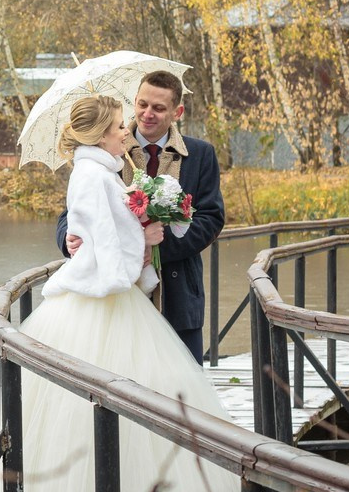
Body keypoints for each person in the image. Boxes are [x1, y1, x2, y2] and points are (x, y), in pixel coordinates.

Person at [0, 94, 240, 492]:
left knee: (124, 405)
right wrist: (144, 238)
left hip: (109, 299)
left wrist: (139, 226)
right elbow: (109, 256)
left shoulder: (103, 171)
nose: (127, 132)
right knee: (100, 404)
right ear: (99, 135)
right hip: (105, 303)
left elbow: (103, 233)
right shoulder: (94, 176)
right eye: (118, 128)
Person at [56, 69, 225, 363]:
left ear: (177, 111)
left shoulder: (200, 154)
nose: (147, 114)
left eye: (159, 108)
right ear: (134, 100)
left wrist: (158, 246)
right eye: (142, 104)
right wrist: (68, 240)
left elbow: (211, 218)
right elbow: (74, 212)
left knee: (183, 389)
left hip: (179, 295)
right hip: (118, 300)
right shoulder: (104, 149)